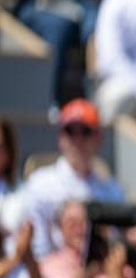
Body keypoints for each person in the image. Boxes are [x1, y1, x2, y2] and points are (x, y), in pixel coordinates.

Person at [20, 99, 124, 258]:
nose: (78, 140)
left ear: (99, 138)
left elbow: (116, 244)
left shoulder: (112, 191)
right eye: (70, 131)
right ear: (60, 137)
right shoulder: (40, 183)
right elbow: (38, 249)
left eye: (85, 131)